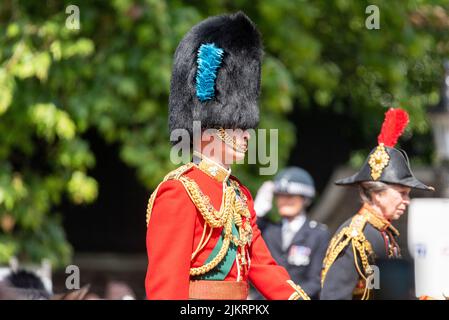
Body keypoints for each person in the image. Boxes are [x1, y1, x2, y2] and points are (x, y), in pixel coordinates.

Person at [144, 12, 309, 300]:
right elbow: (166, 287)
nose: (247, 135)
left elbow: (262, 266)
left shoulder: (239, 194)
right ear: (209, 130)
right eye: (237, 127)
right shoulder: (179, 192)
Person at [320, 108, 434, 300]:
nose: (407, 201)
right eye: (402, 194)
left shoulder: (383, 234)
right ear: (377, 194)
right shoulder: (355, 237)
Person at [252, 167, 330, 299]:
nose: (284, 200)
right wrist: (256, 213)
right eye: (280, 195)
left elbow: (316, 281)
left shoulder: (318, 234)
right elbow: (243, 238)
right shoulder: (267, 229)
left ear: (305, 199)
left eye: (290, 196)